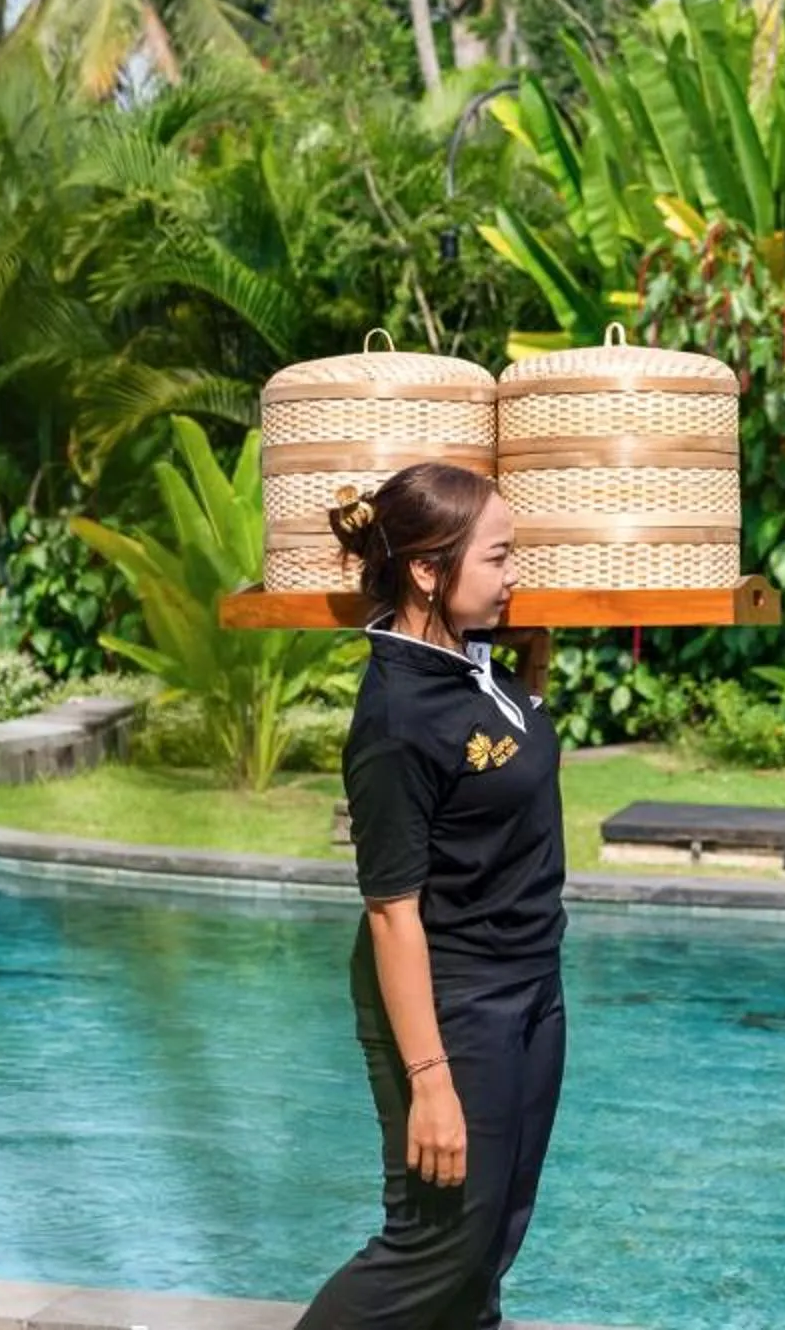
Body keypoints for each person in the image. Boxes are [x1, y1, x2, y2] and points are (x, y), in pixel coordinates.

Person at [294, 462, 567, 1330]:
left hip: (528, 982)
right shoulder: (397, 717)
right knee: (435, 1246)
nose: (514, 573)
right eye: (497, 557)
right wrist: (430, 1082)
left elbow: (499, 770)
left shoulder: (475, 667)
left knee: (487, 1245)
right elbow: (390, 910)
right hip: (454, 999)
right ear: (425, 569)